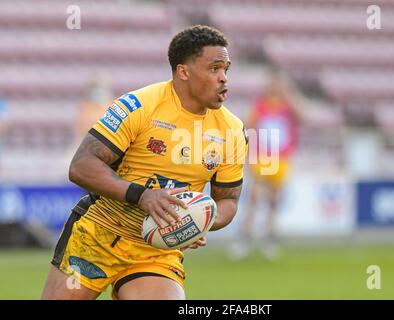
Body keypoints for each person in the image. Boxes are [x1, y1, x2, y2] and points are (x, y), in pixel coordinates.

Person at [41, 25, 248, 300]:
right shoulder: (138, 105)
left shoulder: (232, 131)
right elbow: (81, 166)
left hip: (156, 251)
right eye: (214, 69)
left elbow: (228, 200)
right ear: (183, 71)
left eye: (226, 70)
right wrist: (143, 196)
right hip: (97, 235)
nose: (223, 79)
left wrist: (204, 220)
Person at [230, 70, 303, 260]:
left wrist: (291, 97)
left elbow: (302, 117)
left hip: (281, 158)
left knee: (274, 199)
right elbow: (248, 127)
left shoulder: (288, 106)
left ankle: (269, 236)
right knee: (254, 196)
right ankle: (245, 236)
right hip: (263, 156)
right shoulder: (260, 106)